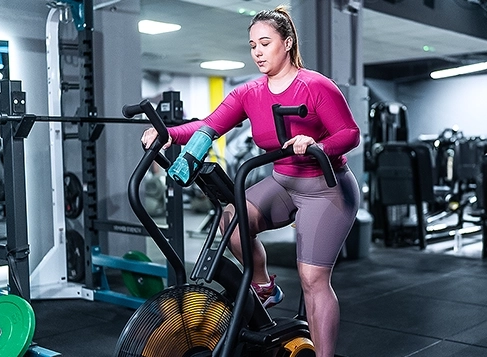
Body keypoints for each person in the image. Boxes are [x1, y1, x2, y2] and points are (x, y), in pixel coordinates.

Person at [141, 5, 360, 357]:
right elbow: (208, 125)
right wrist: (169, 134)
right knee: (232, 219)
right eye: (252, 45)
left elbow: (350, 133)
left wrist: (317, 144)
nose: (257, 51)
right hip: (283, 182)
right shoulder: (250, 92)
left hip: (326, 187)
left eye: (265, 43)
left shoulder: (317, 86)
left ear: (287, 43)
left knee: (312, 279)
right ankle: (263, 284)